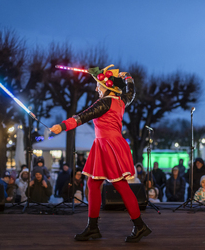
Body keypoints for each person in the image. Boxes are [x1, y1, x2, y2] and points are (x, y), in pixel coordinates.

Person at [50, 65, 151, 242]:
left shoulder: (104, 102)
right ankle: (94, 227)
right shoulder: (121, 101)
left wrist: (62, 126)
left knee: (118, 186)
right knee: (93, 184)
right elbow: (131, 93)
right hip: (112, 144)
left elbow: (83, 117)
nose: (97, 88)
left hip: (107, 145)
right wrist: (128, 77)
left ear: (108, 86)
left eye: (99, 85)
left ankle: (139, 225)